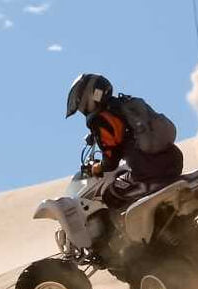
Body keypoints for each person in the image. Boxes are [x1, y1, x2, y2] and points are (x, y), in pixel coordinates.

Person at [65, 74, 184, 208]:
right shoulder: (124, 104)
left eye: (81, 104)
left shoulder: (100, 119)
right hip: (173, 160)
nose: (82, 110)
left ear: (91, 96)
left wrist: (99, 167)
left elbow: (111, 160)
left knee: (110, 194)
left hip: (148, 168)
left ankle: (131, 228)